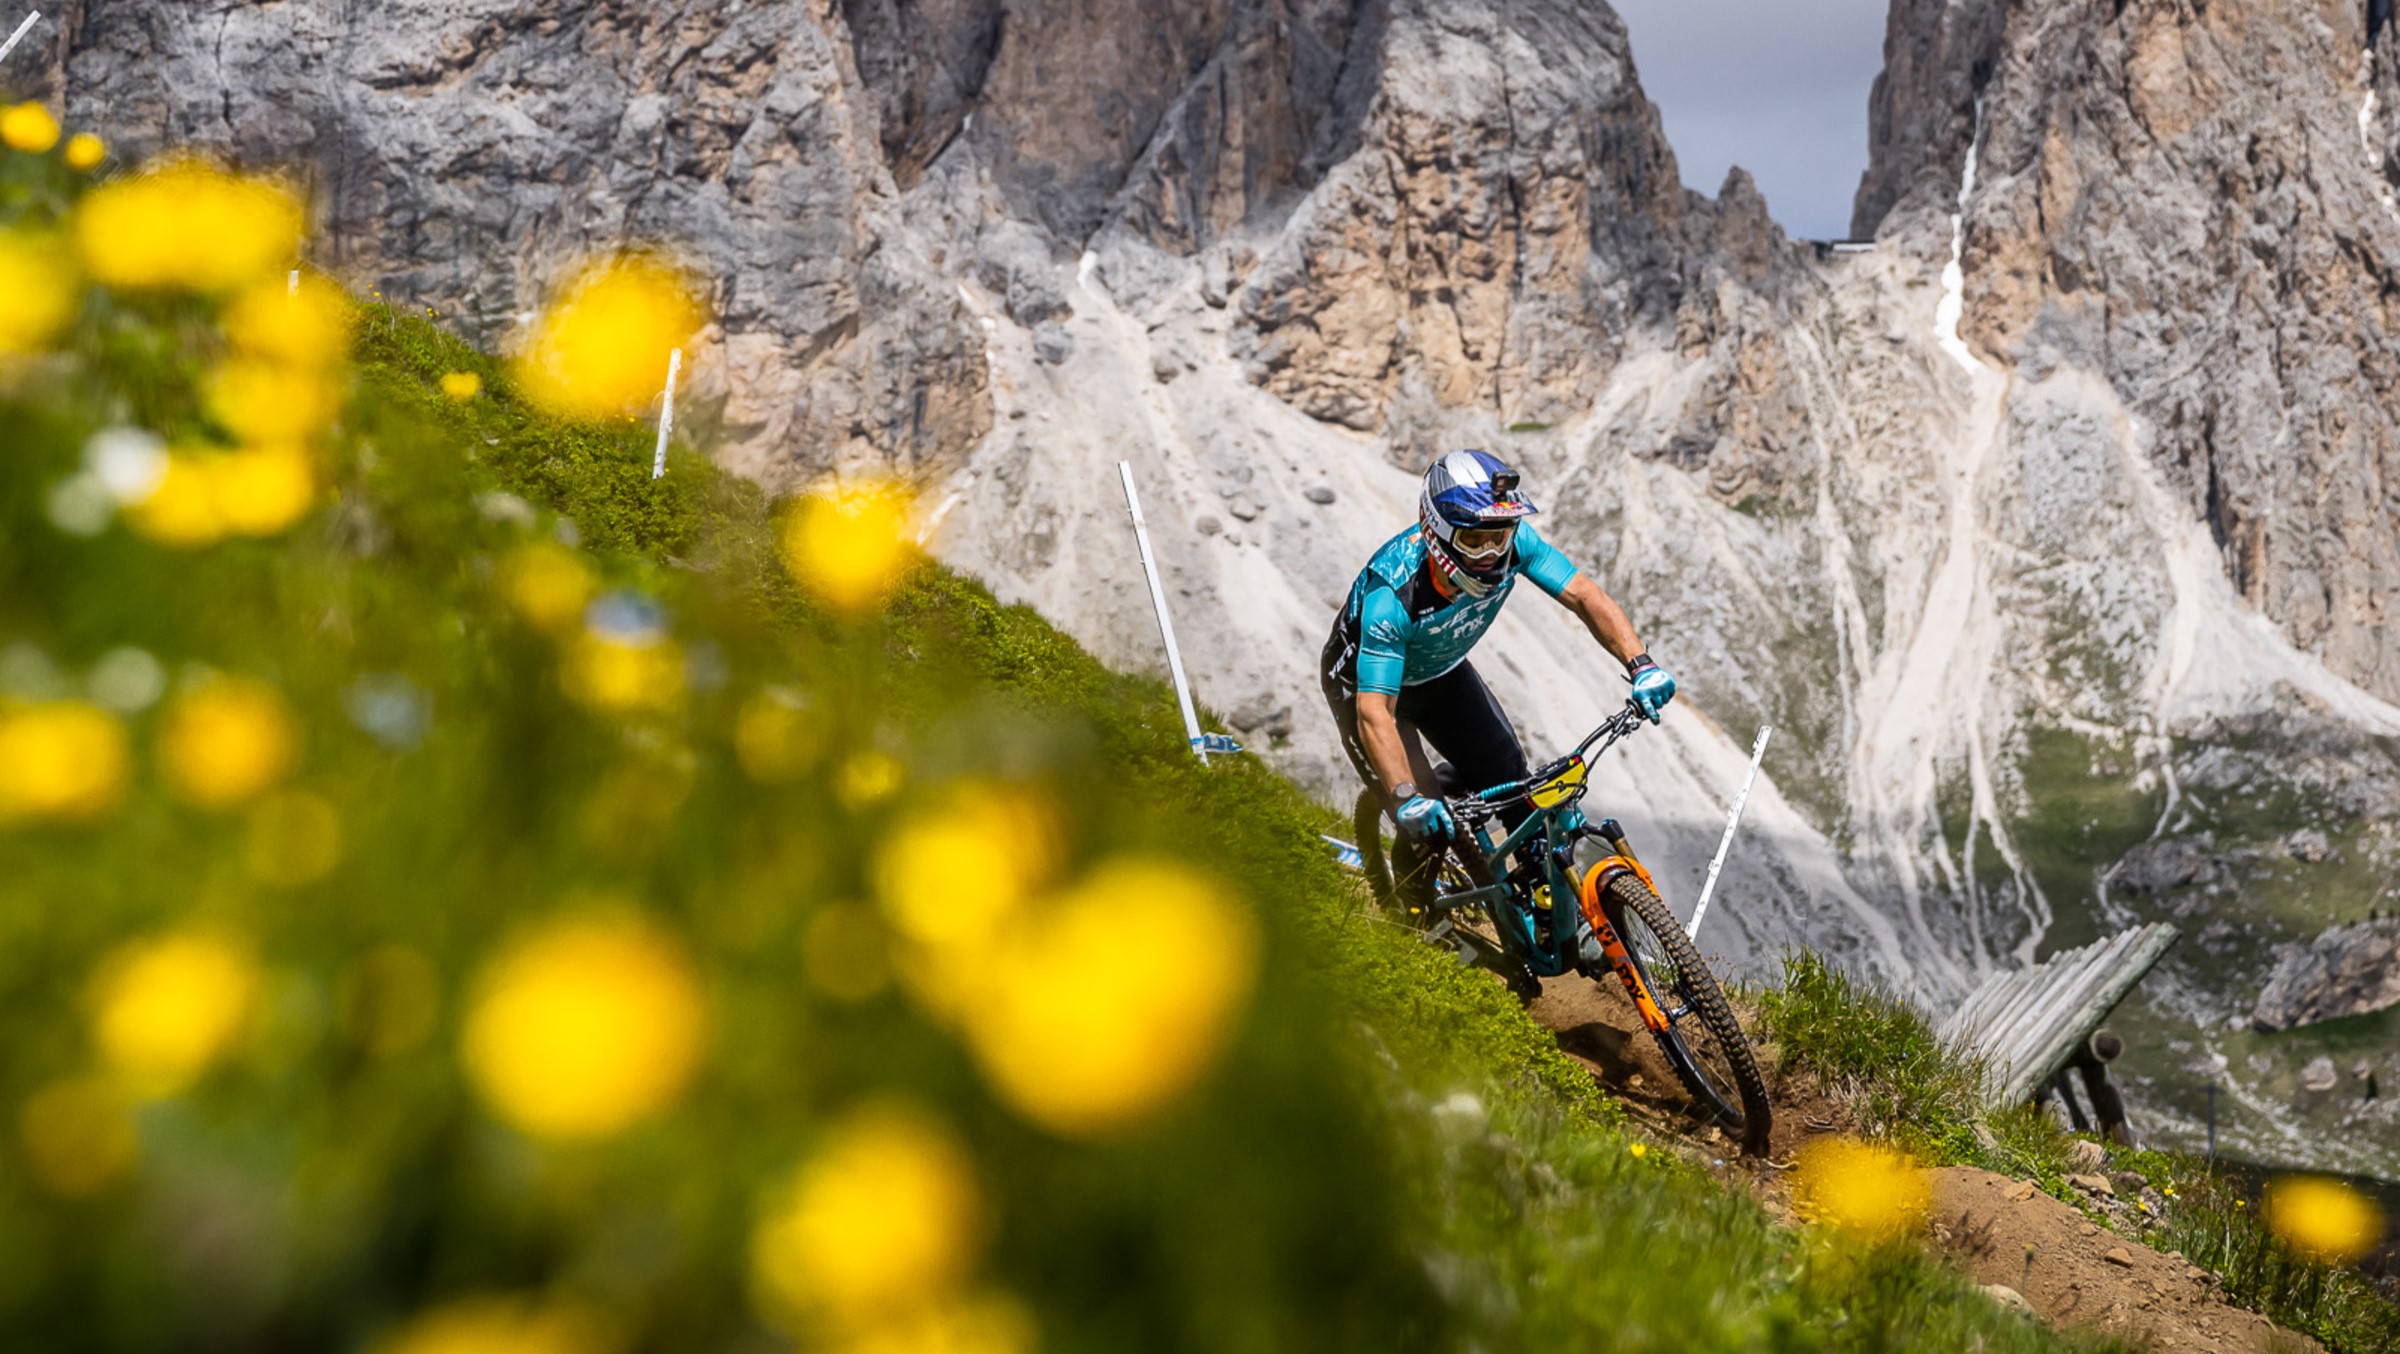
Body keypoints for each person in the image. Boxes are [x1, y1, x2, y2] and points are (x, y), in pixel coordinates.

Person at [1320, 449, 1675, 855]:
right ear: (1436, 532)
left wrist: (1641, 665)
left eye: (1499, 535)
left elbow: (1582, 595)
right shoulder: (1392, 596)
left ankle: (1535, 900)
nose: (1491, 551)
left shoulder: (1517, 543)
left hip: (1439, 671)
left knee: (1514, 783)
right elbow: (1375, 712)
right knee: (1428, 832)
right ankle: (1416, 914)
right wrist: (1406, 795)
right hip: (1366, 689)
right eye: (1474, 539)